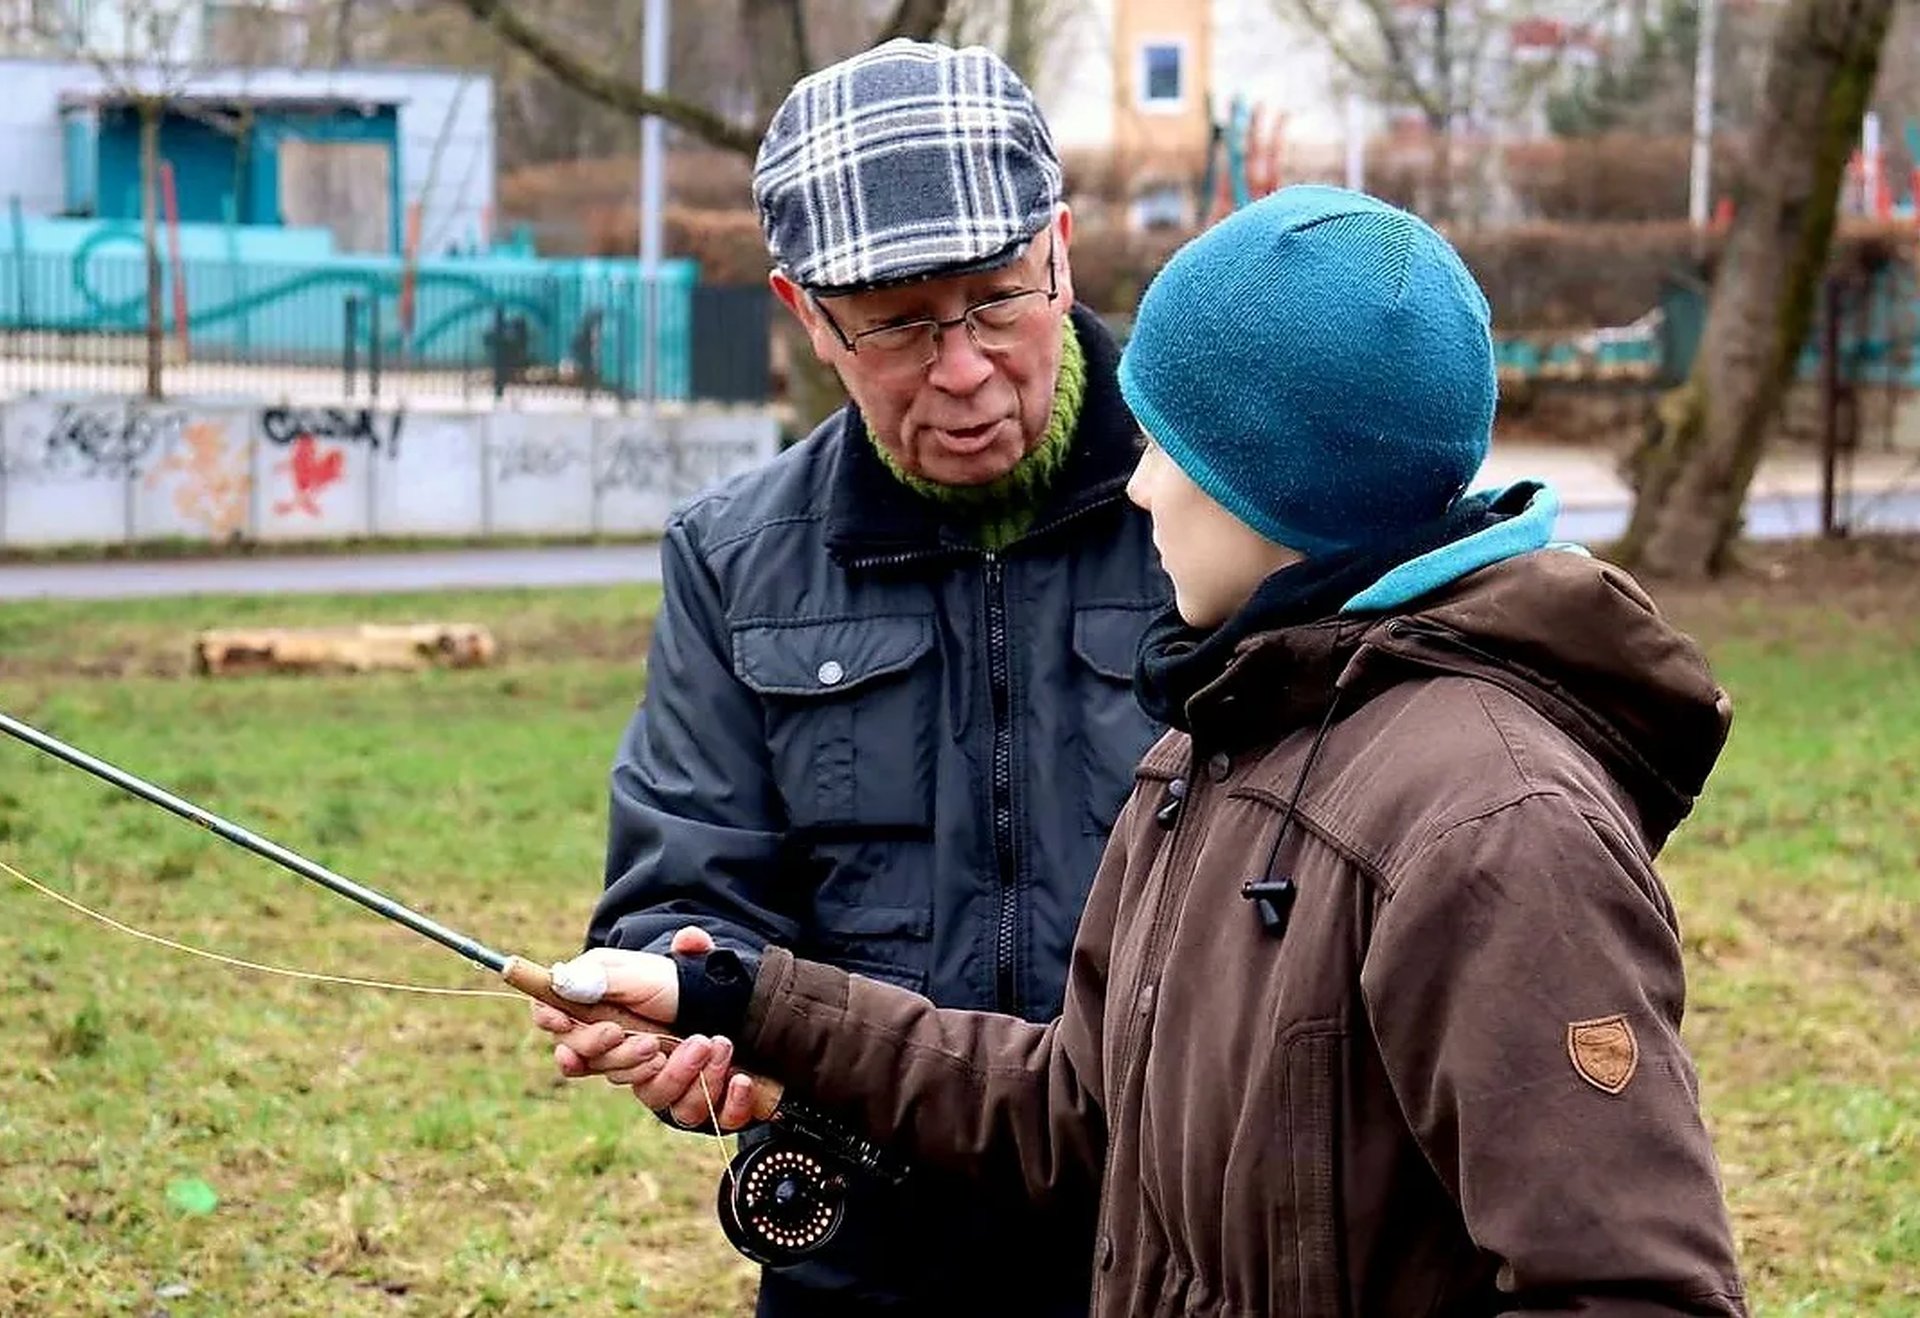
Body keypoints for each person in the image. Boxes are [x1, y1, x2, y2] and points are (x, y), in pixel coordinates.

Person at [541, 184, 1751, 1317]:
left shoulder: (1494, 823)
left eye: (1168, 449)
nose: (1136, 492)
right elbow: (1077, 1108)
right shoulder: (1220, 749)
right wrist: (739, 996)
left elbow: (1631, 1283)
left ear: (1274, 485)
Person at [580, 36, 1167, 1318]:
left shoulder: (1220, 506)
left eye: (998, 299)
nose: (960, 370)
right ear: (805, 315)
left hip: (1184, 1233)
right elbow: (685, 893)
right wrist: (688, 1005)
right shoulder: (734, 559)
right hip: (871, 1251)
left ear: (1061, 249)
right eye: (897, 326)